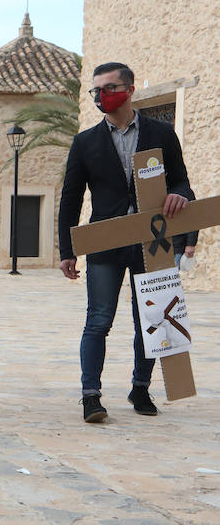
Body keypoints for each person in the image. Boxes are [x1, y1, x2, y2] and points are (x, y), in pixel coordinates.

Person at [59, 61, 193, 423]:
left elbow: (182, 182)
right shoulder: (85, 142)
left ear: (129, 90)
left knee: (149, 319)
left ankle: (140, 387)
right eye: (96, 90)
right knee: (98, 320)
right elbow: (70, 198)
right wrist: (66, 251)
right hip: (105, 240)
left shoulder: (162, 133)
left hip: (154, 242)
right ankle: (91, 395)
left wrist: (180, 196)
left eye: (109, 88)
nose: (102, 96)